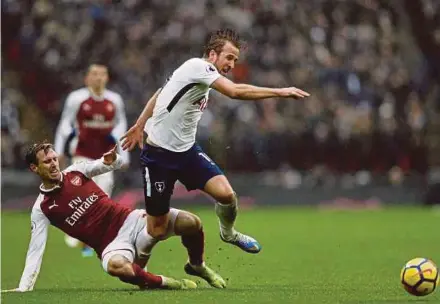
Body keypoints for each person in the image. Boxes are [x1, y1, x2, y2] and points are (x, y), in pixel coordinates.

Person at [121, 28, 310, 253]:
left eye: (235, 60)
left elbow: (160, 93)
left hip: (187, 152)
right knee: (157, 230)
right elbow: (235, 92)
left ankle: (228, 233)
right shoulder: (200, 67)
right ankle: (132, 251)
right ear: (212, 55)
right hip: (159, 155)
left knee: (227, 196)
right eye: (229, 57)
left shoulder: (195, 73)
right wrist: (280, 92)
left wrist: (141, 123)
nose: (232, 64)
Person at [1, 142, 225, 293]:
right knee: (117, 268)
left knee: (192, 223)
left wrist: (113, 160)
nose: (53, 164)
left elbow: (110, 164)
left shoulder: (76, 171)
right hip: (111, 245)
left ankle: (197, 265)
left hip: (132, 220)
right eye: (47, 161)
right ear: (34, 168)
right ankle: (167, 283)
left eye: (54, 158)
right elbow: (35, 250)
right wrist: (24, 289)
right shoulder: (42, 208)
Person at [54, 64, 130, 256]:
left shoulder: (115, 100)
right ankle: (79, 233)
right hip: (82, 156)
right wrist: (59, 151)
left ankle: (91, 240)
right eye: (94, 74)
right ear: (87, 78)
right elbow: (65, 123)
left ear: (107, 78)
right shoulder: (77, 99)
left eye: (102, 74)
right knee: (81, 197)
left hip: (106, 159)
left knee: (103, 197)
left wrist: (124, 154)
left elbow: (121, 125)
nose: (98, 78)